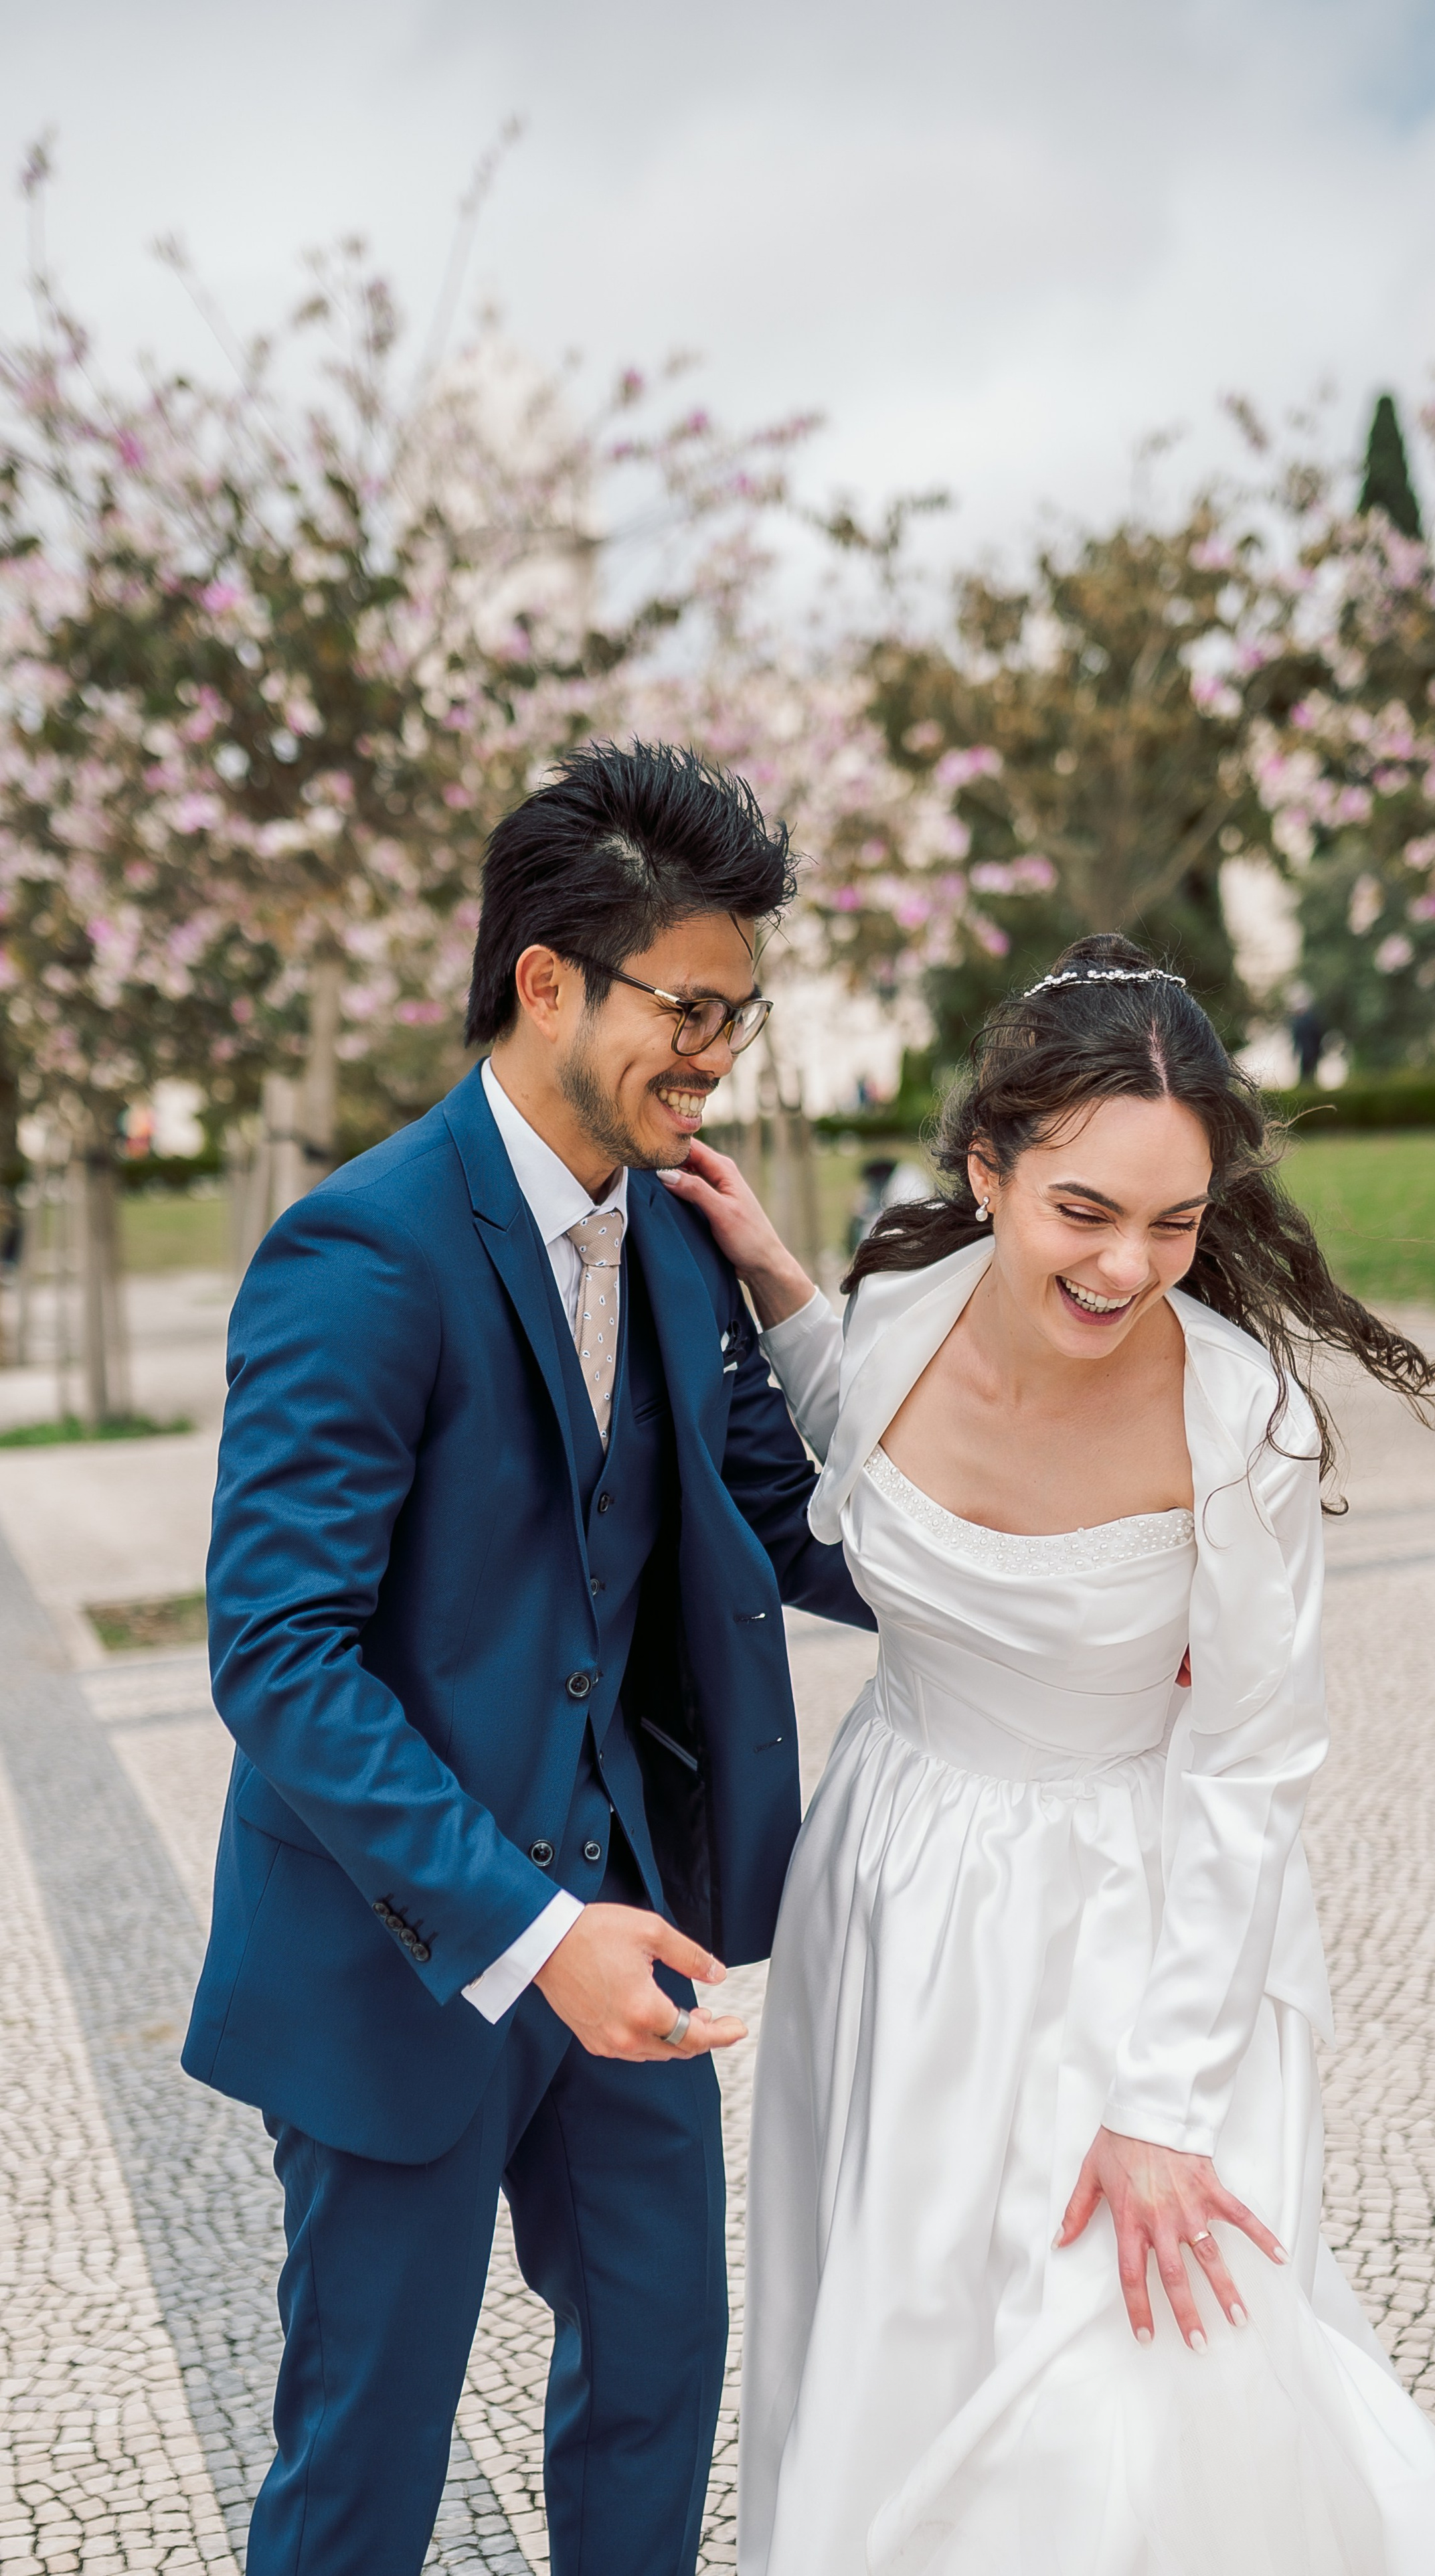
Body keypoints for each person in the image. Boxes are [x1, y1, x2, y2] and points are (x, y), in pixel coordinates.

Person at [664, 933, 1435, 2575]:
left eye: (1174, 1222)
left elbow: (1250, 1765)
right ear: (986, 1170)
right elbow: (852, 1423)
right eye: (1084, 1209)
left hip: (1132, 1936)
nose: (1129, 1265)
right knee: (894, 2337)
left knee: (1111, 2396)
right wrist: (775, 1279)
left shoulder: (1235, 1422)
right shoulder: (895, 1312)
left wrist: (1159, 2100)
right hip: (895, 1895)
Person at [181, 742, 873, 2576]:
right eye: (690, 1006)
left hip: (631, 1935)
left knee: (660, 2380)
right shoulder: (361, 1251)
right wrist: (529, 1931)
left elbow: (780, 1524)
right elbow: (276, 1652)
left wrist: (1069, 1598)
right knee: (364, 2469)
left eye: (743, 1011)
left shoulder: (671, 1232)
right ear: (548, 980)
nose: (717, 1052)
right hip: (407, 1967)